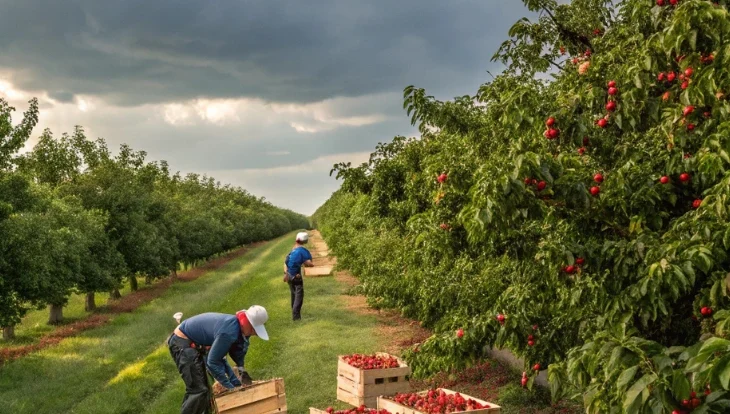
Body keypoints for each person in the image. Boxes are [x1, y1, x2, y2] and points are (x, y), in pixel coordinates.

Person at [168, 305, 269, 414]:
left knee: (205, 390)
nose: (254, 333)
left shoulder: (235, 327)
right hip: (182, 344)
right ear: (248, 323)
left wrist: (237, 380)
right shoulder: (229, 332)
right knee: (198, 390)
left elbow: (222, 358)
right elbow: (212, 362)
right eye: (254, 330)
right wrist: (230, 387)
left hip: (195, 343)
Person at [283, 232, 314, 321]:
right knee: (299, 297)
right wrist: (310, 264)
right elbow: (309, 263)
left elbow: (286, 262)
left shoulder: (293, 250)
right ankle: (296, 318)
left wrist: (285, 273)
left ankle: (294, 314)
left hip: (288, 275)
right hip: (296, 277)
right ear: (305, 240)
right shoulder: (302, 251)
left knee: (293, 294)